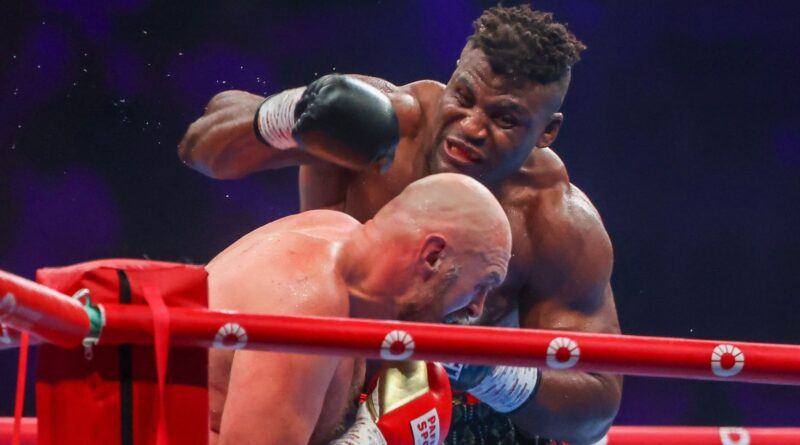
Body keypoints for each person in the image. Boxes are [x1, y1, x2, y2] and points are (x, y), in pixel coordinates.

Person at [182, 5, 622, 444]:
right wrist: (288, 113)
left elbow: (597, 402)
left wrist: (479, 365)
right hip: (319, 367)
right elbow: (203, 148)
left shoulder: (551, 220)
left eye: (504, 118)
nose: (471, 126)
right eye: (464, 97)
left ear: (548, 131)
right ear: (452, 75)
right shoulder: (380, 126)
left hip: (456, 410)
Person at [206, 173, 512, 445]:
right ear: (432, 257)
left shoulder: (342, 239)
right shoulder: (309, 307)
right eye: (481, 284)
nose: (477, 307)